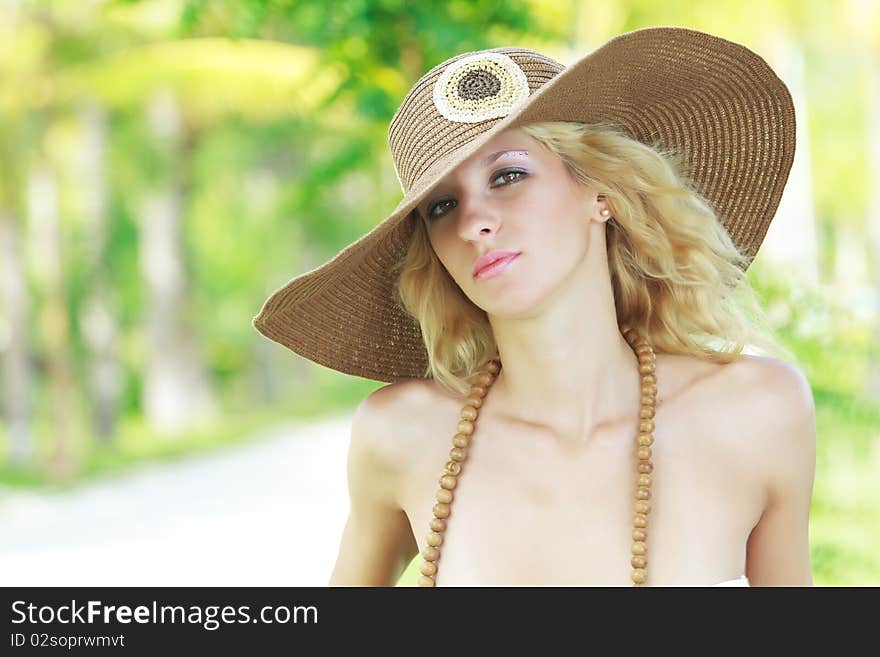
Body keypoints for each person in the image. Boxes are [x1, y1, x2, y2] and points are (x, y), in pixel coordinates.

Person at [253, 27, 817, 587]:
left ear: (601, 193)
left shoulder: (756, 411)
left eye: (509, 175)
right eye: (442, 205)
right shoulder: (402, 433)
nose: (475, 221)